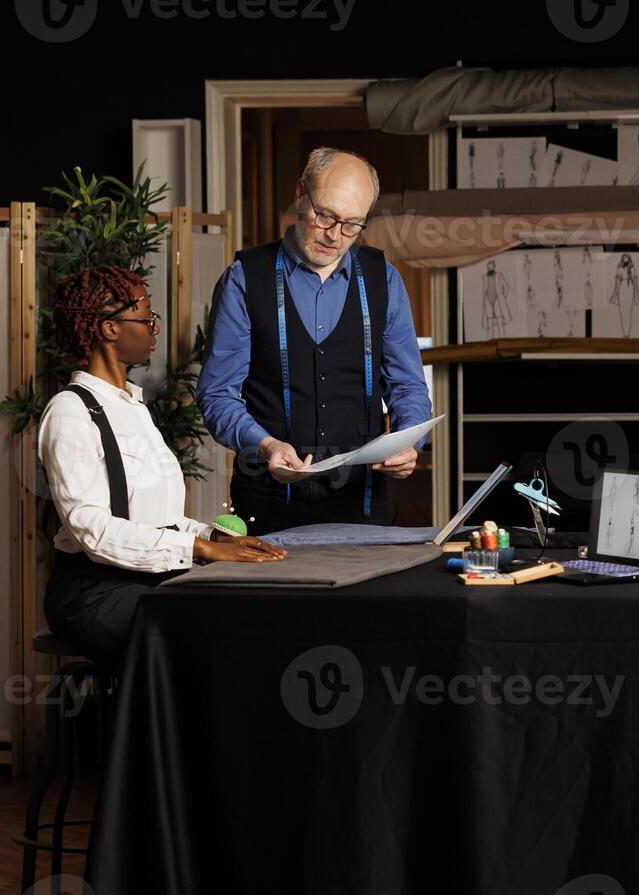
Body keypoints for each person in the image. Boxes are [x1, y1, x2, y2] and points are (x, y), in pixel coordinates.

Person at [39, 265, 284, 661]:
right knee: (207, 635)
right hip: (95, 591)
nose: (155, 328)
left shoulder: (133, 406)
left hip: (149, 579)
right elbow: (92, 529)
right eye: (146, 317)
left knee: (249, 613)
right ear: (109, 329)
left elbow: (153, 518)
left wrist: (214, 537)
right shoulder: (70, 412)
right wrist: (200, 548)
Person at [196, 147, 433, 535]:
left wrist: (410, 442)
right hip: (265, 503)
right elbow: (216, 394)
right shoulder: (243, 279)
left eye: (352, 224)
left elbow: (408, 386)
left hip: (361, 505)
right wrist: (265, 444)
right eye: (325, 215)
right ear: (299, 194)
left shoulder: (384, 280)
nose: (335, 236)